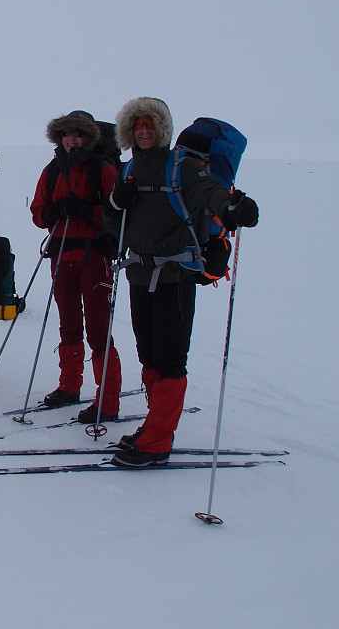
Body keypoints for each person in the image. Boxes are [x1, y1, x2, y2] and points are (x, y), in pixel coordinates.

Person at [105, 97, 259, 467]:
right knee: (149, 355)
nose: (144, 131)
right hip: (139, 273)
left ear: (162, 131)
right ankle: (156, 425)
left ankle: (158, 442)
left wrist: (232, 207)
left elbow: (210, 193)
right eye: (138, 125)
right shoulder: (127, 172)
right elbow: (114, 226)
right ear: (129, 131)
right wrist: (114, 203)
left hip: (174, 276)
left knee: (170, 358)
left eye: (150, 125)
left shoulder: (183, 167)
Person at [30, 110, 123, 422]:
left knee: (99, 331)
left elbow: (118, 214)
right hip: (62, 257)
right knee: (69, 324)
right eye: (67, 133)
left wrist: (87, 211)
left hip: (96, 258)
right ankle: (70, 386)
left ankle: (107, 402)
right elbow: (38, 212)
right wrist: (53, 211)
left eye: (78, 133)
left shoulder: (103, 169)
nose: (72, 139)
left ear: (89, 137)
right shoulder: (52, 170)